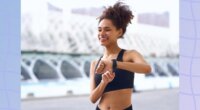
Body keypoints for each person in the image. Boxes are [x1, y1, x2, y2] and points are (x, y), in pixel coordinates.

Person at [89, 2, 151, 110]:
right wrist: (104, 82)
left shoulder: (129, 55)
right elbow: (93, 99)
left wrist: (114, 63)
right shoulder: (95, 63)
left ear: (119, 32)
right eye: (99, 29)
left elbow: (147, 68)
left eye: (107, 29)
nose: (102, 33)